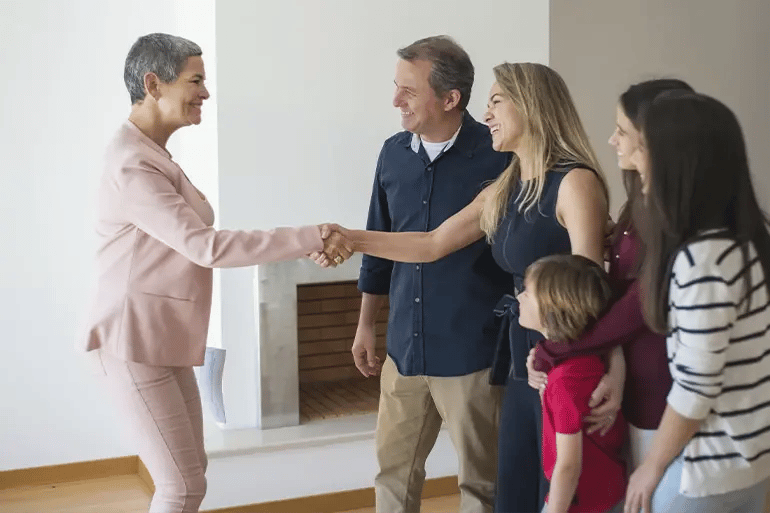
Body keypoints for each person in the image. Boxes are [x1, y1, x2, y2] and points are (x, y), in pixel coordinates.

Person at [321, 61, 620, 513]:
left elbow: (594, 291)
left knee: (557, 486)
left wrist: (614, 367)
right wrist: (351, 237)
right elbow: (431, 243)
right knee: (515, 484)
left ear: (532, 107)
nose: (487, 115)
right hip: (523, 353)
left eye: (497, 102)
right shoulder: (508, 185)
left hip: (564, 359)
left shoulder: (575, 183)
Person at [80, 33, 347, 513]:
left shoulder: (153, 154)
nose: (205, 91)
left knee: (191, 474)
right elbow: (205, 247)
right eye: (195, 80)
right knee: (180, 487)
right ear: (152, 83)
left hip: (160, 340)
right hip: (132, 341)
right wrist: (309, 237)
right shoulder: (133, 165)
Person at [526, 79, 695, 511]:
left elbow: (636, 306)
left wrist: (557, 348)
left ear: (654, 133)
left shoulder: (676, 214)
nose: (611, 139)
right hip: (633, 378)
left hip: (661, 386)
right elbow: (619, 289)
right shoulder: (638, 204)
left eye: (621, 129)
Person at [623, 91, 770, 513]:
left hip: (706, 472)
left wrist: (651, 466)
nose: (634, 156)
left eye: (644, 147)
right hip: (748, 461)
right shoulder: (740, 245)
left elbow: (695, 387)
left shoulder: (702, 258)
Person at [518, 254, 626, 513]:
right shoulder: (583, 360)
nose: (520, 297)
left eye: (527, 293)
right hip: (605, 491)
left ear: (554, 311)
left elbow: (568, 465)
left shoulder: (565, 381)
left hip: (582, 502)